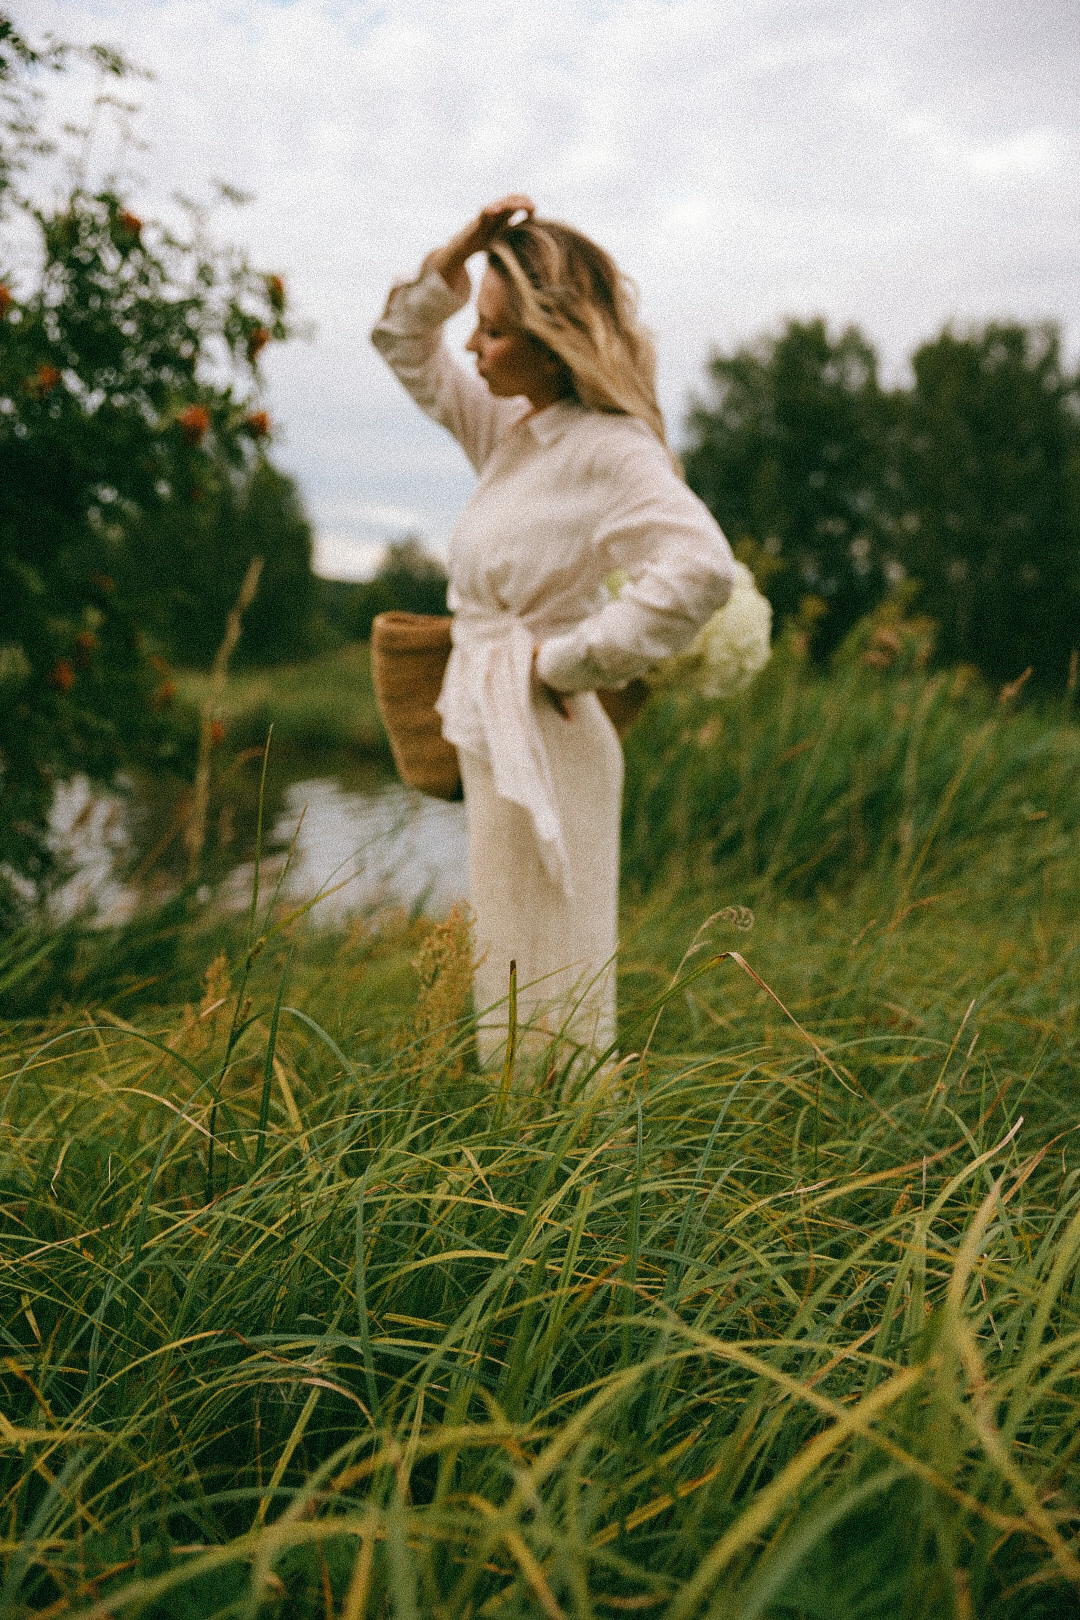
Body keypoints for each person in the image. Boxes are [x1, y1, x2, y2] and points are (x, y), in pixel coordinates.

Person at [371, 196, 736, 1070]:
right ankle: (528, 1162)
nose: (472, 345)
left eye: (493, 331)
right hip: (497, 730)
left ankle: (566, 1173)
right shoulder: (509, 430)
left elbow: (699, 568)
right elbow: (401, 343)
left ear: (553, 337)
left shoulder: (612, 449)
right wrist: (457, 256)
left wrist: (566, 663)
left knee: (553, 988)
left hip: (551, 733)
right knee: (509, 979)